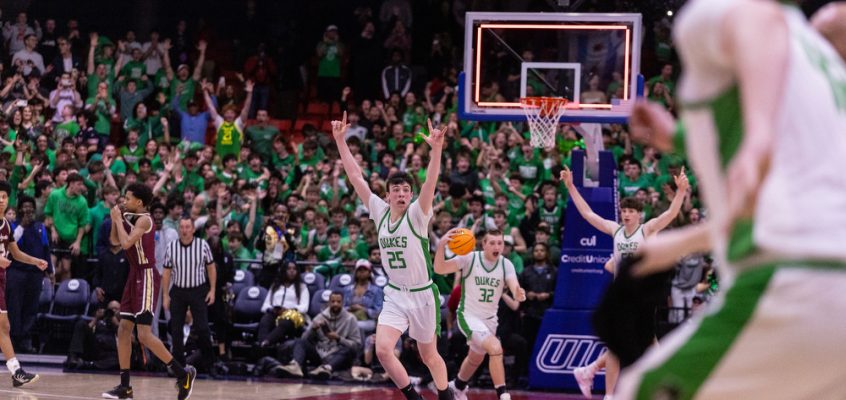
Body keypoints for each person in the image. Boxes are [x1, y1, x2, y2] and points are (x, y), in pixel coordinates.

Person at [613, 1, 846, 398]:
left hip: (794, 284)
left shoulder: (713, 15)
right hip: (824, 287)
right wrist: (682, 139)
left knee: (640, 390)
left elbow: (754, 21)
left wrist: (758, 136)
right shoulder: (824, 75)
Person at [332, 112, 454, 400]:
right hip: (396, 294)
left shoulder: (417, 213)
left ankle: (446, 395)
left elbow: (430, 183)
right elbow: (355, 176)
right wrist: (340, 140)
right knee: (383, 350)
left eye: (405, 190)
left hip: (423, 295)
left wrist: (436, 150)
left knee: (429, 356)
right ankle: (414, 397)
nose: (401, 193)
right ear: (387, 196)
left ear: (410, 195)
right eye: (396, 189)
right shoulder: (379, 211)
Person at [561, 164, 688, 398]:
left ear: (639, 214)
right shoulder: (615, 230)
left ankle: (591, 373)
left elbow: (670, 215)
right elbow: (588, 214)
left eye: (631, 211)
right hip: (623, 296)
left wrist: (680, 192)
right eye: (624, 210)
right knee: (632, 345)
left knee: (637, 344)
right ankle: (610, 392)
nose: (626, 214)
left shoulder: (647, 229)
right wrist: (571, 187)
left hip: (641, 296)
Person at [102, 183, 196, 400]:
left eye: (128, 198)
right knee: (123, 329)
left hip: (146, 276)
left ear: (140, 203)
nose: (124, 201)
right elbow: (115, 242)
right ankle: (125, 386)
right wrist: (117, 219)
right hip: (133, 276)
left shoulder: (144, 220)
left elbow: (126, 245)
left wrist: (116, 219)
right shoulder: (129, 218)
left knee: (143, 334)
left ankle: (183, 375)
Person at [433, 229, 526, 400]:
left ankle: (457, 387)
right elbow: (439, 268)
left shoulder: (506, 264)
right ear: (483, 244)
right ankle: (503, 395)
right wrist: (441, 246)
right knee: (495, 348)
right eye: (492, 243)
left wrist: (517, 292)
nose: (496, 246)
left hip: (490, 320)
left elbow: (513, 284)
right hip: (468, 316)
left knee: (476, 357)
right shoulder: (469, 258)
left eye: (500, 243)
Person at [0, 181, 48, 387]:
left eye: (3, 196)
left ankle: (16, 372)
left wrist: (35, 261)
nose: (0, 200)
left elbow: (16, 253)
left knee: (3, 326)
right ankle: (16, 371)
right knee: (3, 326)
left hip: (1, 277)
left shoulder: (6, 224)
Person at [162, 216, 217, 372]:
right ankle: (179, 366)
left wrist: (212, 290)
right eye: (182, 227)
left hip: (198, 290)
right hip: (178, 290)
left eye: (188, 227)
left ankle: (210, 364)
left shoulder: (202, 245)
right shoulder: (171, 247)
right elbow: (166, 273)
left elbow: (211, 268)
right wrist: (166, 295)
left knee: (202, 329)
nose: (185, 230)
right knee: (176, 329)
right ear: (179, 229)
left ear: (193, 229)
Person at [277, 291, 361, 379]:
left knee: (348, 350)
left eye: (338, 302)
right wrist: (312, 329)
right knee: (300, 341)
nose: (335, 304)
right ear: (328, 303)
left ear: (343, 303)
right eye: (333, 302)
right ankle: (295, 366)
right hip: (320, 354)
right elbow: (304, 339)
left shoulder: (351, 319)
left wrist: (339, 338)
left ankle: (326, 369)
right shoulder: (319, 317)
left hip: (337, 356)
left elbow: (356, 346)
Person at [5, 195, 52, 353]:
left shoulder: (40, 227)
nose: (28, 209)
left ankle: (25, 339)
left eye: (31, 207)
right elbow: (11, 247)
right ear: (19, 209)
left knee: (31, 307)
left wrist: (49, 271)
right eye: (25, 206)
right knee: (14, 307)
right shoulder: (13, 226)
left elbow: (46, 249)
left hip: (35, 274)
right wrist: (22, 227)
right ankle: (13, 339)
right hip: (16, 272)